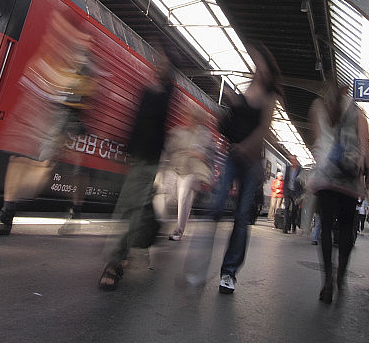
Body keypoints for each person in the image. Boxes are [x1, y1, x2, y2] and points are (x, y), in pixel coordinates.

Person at [0, 14, 93, 236]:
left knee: (51, 171)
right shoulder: (51, 55)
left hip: (66, 122)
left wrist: (62, 135)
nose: (54, 35)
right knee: (18, 158)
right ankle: (6, 215)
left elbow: (79, 104)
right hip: (43, 117)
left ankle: (74, 212)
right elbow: (34, 84)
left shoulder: (84, 66)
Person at [98, 50, 175, 291]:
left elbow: (154, 121)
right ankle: (124, 252)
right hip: (137, 156)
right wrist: (125, 150)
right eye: (157, 63)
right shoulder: (149, 91)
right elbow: (137, 121)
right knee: (134, 206)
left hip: (149, 158)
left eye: (163, 64)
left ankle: (114, 262)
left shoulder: (166, 94)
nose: (157, 67)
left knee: (128, 207)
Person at [212, 41, 282, 294]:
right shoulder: (247, 87)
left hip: (250, 161)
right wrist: (231, 101)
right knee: (217, 204)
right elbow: (232, 119)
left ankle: (228, 272)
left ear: (267, 67)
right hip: (232, 155)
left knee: (241, 217)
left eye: (260, 63)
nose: (257, 67)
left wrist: (246, 147)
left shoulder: (269, 96)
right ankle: (201, 263)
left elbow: (263, 129)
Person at [307, 80, 369, 304]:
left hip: (326, 177)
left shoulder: (317, 106)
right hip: (348, 179)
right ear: (346, 90)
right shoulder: (356, 110)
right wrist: (368, 176)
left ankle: (326, 280)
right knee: (346, 228)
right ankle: (341, 275)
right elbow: (365, 147)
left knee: (326, 227)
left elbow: (316, 143)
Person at [153, 106, 214, 241]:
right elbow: (167, 150)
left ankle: (178, 230)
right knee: (162, 190)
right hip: (174, 169)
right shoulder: (178, 132)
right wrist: (162, 167)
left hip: (192, 173)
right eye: (191, 117)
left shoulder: (205, 135)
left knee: (184, 192)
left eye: (196, 118)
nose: (192, 120)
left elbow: (208, 155)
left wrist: (199, 154)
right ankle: (157, 221)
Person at [282, 154, 302, 234]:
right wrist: (284, 191)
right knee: (286, 208)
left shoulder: (300, 170)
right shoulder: (287, 169)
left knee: (294, 209)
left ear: (296, 161)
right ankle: (285, 227)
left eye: (293, 160)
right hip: (288, 191)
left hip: (296, 192)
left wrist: (300, 194)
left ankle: (293, 225)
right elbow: (285, 180)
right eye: (291, 160)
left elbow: (302, 182)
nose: (292, 161)